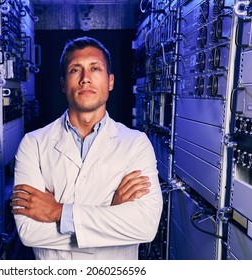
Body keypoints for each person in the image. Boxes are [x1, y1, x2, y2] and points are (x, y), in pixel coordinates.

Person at [10, 36, 163, 260]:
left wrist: (58, 211)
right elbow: (29, 232)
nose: (85, 79)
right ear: (63, 83)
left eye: (95, 68)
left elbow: (145, 226)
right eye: (75, 70)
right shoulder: (33, 143)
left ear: (110, 81)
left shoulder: (135, 143)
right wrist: (111, 212)